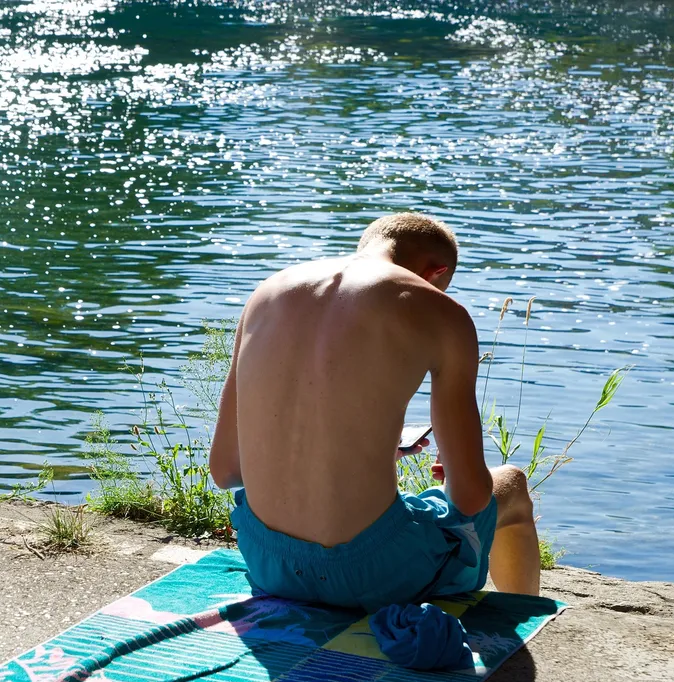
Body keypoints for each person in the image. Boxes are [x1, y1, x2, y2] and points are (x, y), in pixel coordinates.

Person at [208, 212, 540, 612]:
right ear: (437, 272)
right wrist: (455, 473)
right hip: (375, 575)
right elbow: (470, 497)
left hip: (268, 563)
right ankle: (519, 627)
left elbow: (226, 471)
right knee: (513, 486)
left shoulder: (266, 293)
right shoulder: (440, 311)